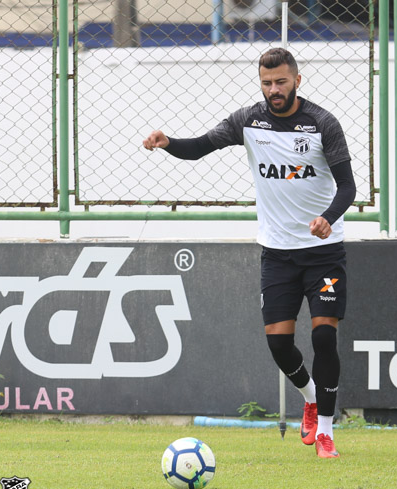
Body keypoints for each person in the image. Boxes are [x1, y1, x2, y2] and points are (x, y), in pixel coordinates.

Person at [143, 48, 355, 459]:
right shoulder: (248, 120)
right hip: (277, 254)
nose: (274, 90)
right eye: (266, 83)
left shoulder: (322, 123)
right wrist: (169, 143)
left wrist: (328, 217)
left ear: (297, 79)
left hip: (323, 251)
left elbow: (347, 187)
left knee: (324, 336)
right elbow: (201, 146)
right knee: (279, 345)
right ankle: (310, 398)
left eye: (281, 81)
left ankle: (326, 432)